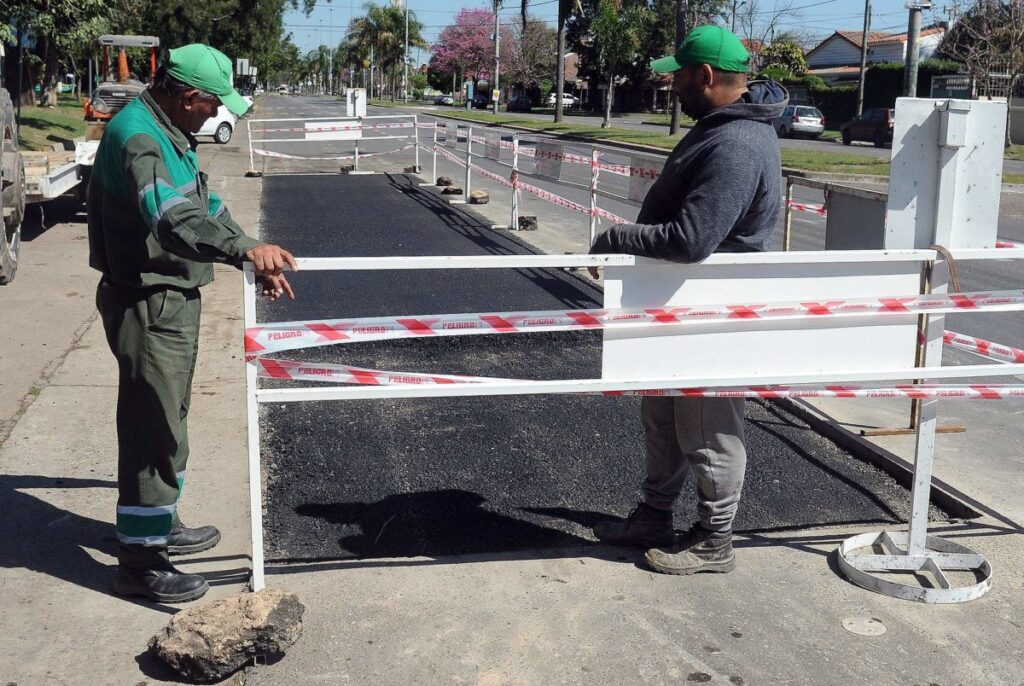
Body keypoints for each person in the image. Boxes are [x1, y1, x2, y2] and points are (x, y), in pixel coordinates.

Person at [88, 44, 296, 603]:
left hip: (171, 298)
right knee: (151, 426)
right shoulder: (139, 138)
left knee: (170, 418)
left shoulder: (168, 130)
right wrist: (241, 252)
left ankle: (159, 524)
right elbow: (174, 220)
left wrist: (250, 249)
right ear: (187, 97)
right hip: (148, 301)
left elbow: (202, 201)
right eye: (213, 105)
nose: (217, 114)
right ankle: (139, 563)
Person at [588, 26, 788, 576]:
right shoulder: (720, 128)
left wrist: (614, 238)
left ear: (705, 76)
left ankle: (714, 539)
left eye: (678, 73)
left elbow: (691, 239)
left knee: (708, 430)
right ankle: (654, 516)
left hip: (710, 312)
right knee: (664, 417)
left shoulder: (737, 143)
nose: (671, 82)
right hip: (675, 303)